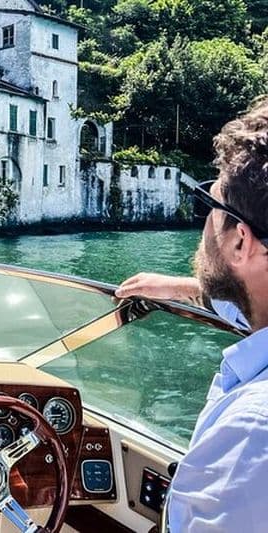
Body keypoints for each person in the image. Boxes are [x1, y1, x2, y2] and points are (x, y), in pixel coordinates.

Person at [115, 98, 268, 532]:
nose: (204, 223)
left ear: (241, 241)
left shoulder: (251, 437)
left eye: (211, 205)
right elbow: (238, 306)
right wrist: (180, 288)